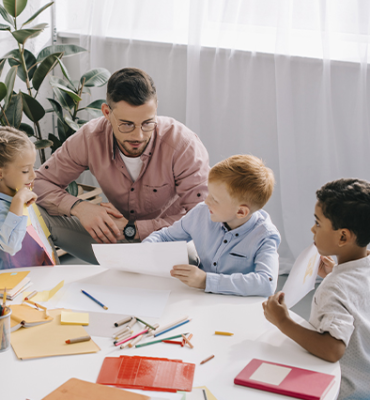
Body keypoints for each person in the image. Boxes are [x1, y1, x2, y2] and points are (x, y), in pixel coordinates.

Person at [34, 67, 209, 264]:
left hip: (165, 243)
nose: (138, 136)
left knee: (191, 258)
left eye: (147, 123)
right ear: (107, 113)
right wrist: (79, 207)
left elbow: (203, 217)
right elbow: (39, 183)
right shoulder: (90, 137)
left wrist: (134, 230)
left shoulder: (183, 144)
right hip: (112, 239)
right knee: (36, 215)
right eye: (126, 124)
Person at [263, 178, 370, 399]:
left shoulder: (336, 287)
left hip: (345, 389)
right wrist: (335, 273)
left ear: (343, 236)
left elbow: (332, 349)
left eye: (318, 223)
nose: (313, 228)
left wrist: (283, 321)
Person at [143, 154, 281, 296]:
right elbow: (165, 236)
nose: (207, 201)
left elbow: (267, 283)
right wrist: (144, 249)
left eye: (215, 199)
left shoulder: (265, 235)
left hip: (237, 303)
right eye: (209, 193)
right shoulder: (201, 213)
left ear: (241, 212)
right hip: (199, 297)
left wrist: (206, 281)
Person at [0, 127, 49, 269]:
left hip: (34, 275)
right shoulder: (14, 200)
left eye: (33, 168)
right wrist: (18, 201)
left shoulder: (22, 194)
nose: (33, 175)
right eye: (25, 170)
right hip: (9, 285)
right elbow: (10, 246)